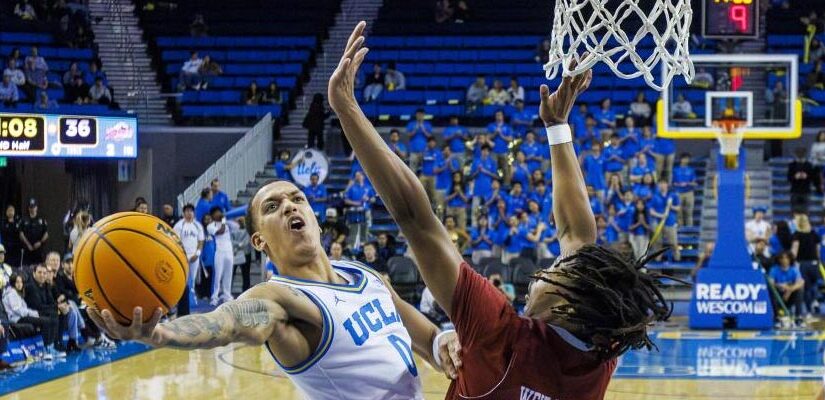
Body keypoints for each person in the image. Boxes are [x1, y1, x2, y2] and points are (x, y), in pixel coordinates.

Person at [329, 23, 671, 398]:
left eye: (555, 272)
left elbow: (415, 219)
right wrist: (557, 127)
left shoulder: (499, 335)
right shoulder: (598, 355)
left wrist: (346, 109)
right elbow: (578, 237)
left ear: (569, 309)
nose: (543, 271)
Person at [90, 179, 462, 398]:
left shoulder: (364, 275)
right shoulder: (278, 299)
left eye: (296, 199)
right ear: (259, 241)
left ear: (314, 219)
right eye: (273, 206)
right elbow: (227, 322)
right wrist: (161, 333)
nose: (288, 206)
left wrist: (441, 342)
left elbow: (419, 331)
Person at [3, 274, 63, 359]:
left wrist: (34, 313)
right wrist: (34, 313)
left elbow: (24, 309)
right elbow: (19, 311)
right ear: (13, 283)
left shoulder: (17, 293)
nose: (20, 284)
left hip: (22, 316)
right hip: (17, 319)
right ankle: (46, 349)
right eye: (17, 282)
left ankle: (51, 347)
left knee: (51, 320)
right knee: (45, 321)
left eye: (21, 282)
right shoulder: (11, 294)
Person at [173, 204, 205, 316]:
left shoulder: (198, 225)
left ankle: (192, 301)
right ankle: (180, 302)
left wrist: (197, 253)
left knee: (193, 279)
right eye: (187, 211)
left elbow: (201, 241)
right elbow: (175, 241)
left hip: (194, 256)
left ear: (193, 213)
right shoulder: (179, 225)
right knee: (183, 280)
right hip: (182, 256)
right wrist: (182, 255)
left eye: (191, 211)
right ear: (183, 213)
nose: (189, 213)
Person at [790, 214, 820, 318]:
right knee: (814, 284)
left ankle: (808, 310)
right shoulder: (814, 233)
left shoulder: (796, 234)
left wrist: (792, 261)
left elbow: (795, 250)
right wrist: (817, 260)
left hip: (802, 263)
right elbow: (818, 249)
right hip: (814, 263)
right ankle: (815, 300)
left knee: (806, 287)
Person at [206, 207, 237, 306]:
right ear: (212, 215)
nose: (219, 213)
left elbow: (238, 226)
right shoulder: (210, 226)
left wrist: (233, 219)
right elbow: (220, 232)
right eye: (217, 212)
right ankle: (214, 297)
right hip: (219, 252)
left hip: (229, 252)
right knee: (218, 276)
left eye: (220, 212)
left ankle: (227, 295)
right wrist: (224, 221)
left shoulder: (227, 223)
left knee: (228, 274)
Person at [768, 252, 805, 327]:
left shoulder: (794, 270)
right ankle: (777, 318)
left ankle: (798, 318)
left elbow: (801, 282)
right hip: (778, 296)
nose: (784, 260)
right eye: (782, 258)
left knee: (799, 290)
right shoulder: (774, 269)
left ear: (790, 259)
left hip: (790, 296)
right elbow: (770, 283)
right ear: (779, 260)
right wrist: (779, 285)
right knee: (772, 291)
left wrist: (790, 290)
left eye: (786, 258)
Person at [788, 147, 818, 213]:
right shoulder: (792, 165)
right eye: (798, 153)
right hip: (795, 191)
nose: (800, 154)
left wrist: (806, 176)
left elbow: (813, 178)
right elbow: (789, 178)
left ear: (804, 154)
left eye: (802, 153)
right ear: (796, 154)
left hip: (806, 191)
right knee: (794, 211)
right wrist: (795, 177)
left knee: (806, 211)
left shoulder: (809, 165)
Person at [19, 198, 48, 267]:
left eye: (34, 207)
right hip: (27, 249)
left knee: (39, 266)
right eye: (31, 207)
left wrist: (40, 242)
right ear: (28, 208)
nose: (32, 209)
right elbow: (21, 234)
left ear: (36, 208)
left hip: (38, 249)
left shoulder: (42, 220)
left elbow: (46, 233)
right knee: (26, 267)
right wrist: (28, 244)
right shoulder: (24, 220)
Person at [672, 153, 697, 227]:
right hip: (679, 193)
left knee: (689, 212)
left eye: (688, 159)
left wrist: (687, 183)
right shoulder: (675, 170)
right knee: (679, 212)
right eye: (685, 158)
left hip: (689, 192)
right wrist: (678, 184)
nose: (686, 160)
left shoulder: (691, 170)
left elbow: (694, 183)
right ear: (681, 159)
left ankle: (690, 229)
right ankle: (680, 228)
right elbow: (672, 182)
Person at [231, 217, 251, 293]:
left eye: (243, 220)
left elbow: (247, 241)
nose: (241, 222)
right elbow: (230, 240)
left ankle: (246, 292)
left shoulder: (248, 230)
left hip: (245, 253)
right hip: (234, 253)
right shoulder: (232, 230)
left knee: (245, 275)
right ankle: (228, 292)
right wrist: (239, 245)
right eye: (239, 220)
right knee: (232, 274)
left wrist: (237, 245)